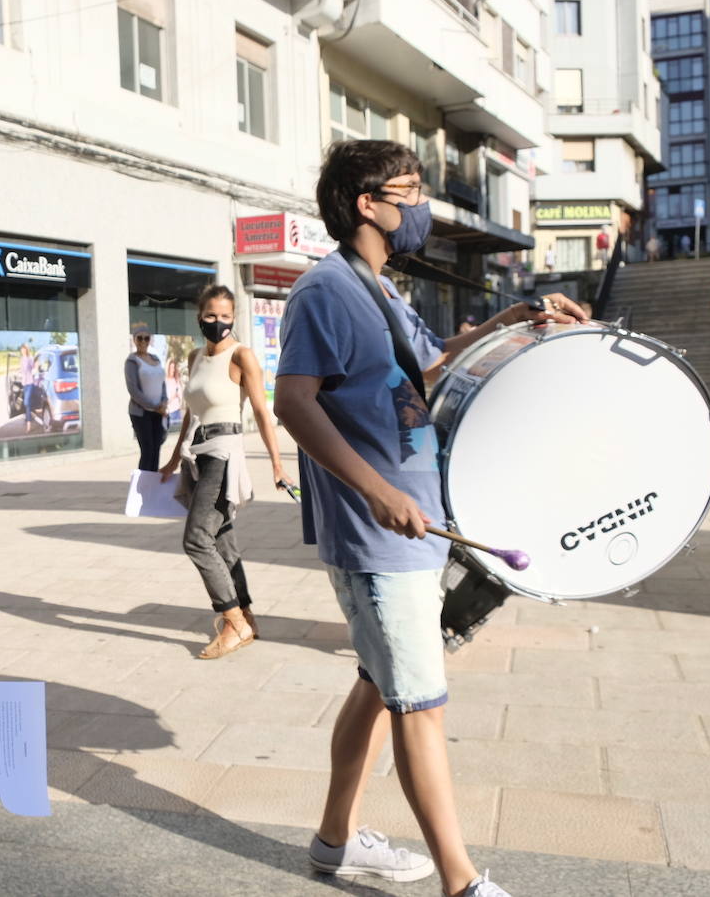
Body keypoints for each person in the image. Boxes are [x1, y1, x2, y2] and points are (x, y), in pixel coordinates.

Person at [273, 139, 586, 897]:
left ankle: (334, 843)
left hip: (412, 526)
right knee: (420, 703)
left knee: (381, 686)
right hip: (379, 536)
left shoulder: (378, 288)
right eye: (408, 190)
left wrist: (511, 321)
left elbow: (429, 364)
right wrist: (377, 491)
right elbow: (293, 400)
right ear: (365, 204)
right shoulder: (326, 291)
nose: (420, 205)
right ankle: (462, 883)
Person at [159, 285, 289, 659]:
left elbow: (264, 412)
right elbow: (191, 411)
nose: (219, 323)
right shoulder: (194, 356)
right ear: (200, 316)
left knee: (197, 538)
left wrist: (278, 466)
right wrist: (172, 458)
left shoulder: (242, 355)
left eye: (226, 316)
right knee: (222, 540)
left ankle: (232, 620)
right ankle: (246, 613)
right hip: (197, 452)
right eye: (212, 315)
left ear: (235, 318)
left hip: (224, 452)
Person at [125, 325, 168, 470]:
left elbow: (162, 383)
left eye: (146, 338)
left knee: (156, 449)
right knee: (147, 450)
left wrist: (163, 402)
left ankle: (152, 486)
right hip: (141, 413)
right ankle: (141, 486)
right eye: (140, 338)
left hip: (159, 412)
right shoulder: (132, 361)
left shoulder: (155, 359)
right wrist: (155, 407)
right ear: (134, 340)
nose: (143, 341)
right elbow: (133, 390)